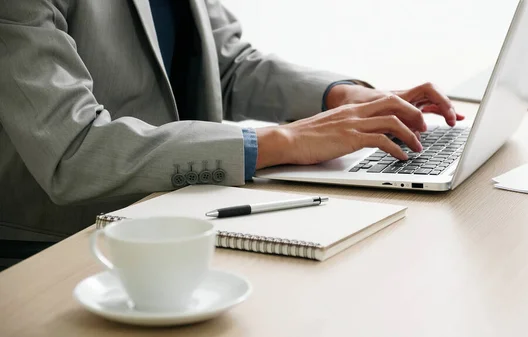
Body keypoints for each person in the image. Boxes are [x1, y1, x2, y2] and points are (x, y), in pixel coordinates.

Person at [0, 0, 463, 260]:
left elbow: (228, 64)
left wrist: (340, 96)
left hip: (178, 216)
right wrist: (284, 140)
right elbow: (74, 151)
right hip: (60, 247)